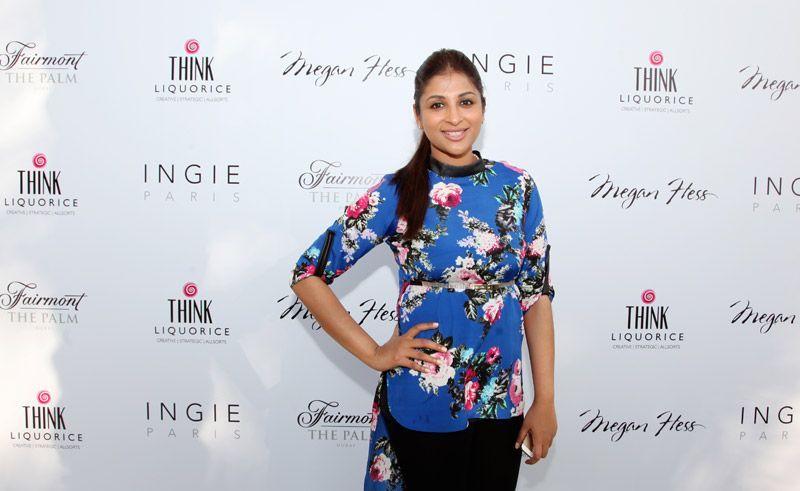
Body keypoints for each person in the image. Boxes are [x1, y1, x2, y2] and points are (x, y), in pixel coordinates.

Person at [289, 48, 557, 490]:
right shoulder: (397, 191)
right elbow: (308, 273)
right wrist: (376, 353)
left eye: (465, 101)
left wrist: (545, 399)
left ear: (483, 107)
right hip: (423, 397)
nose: (454, 117)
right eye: (437, 105)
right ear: (418, 115)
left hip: (500, 398)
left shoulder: (518, 186)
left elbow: (535, 294)